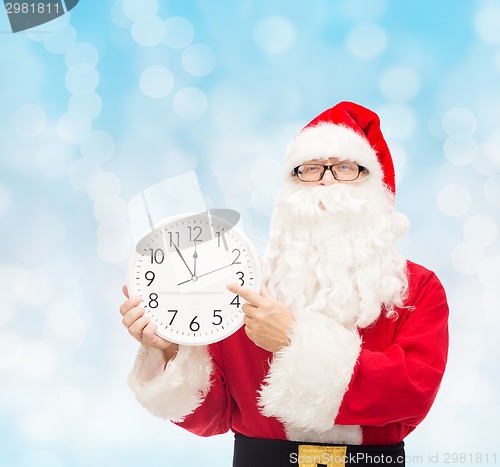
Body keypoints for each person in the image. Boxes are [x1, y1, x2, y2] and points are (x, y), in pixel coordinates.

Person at [119, 101, 449, 466]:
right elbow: (212, 416)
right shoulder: (243, 285)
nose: (326, 179)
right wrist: (170, 348)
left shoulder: (419, 289)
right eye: (309, 169)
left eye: (344, 168)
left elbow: (411, 394)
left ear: (376, 186)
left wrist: (295, 338)